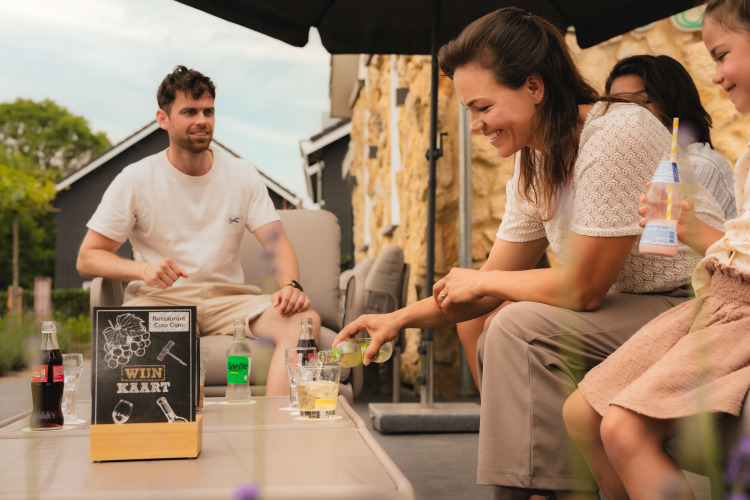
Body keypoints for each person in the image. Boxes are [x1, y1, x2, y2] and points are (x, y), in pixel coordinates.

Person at [335, 7, 725, 500]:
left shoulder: (616, 133)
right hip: (633, 308)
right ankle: (539, 483)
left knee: (516, 325)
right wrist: (397, 319)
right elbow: (484, 287)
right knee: (476, 319)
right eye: (469, 112)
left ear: (534, 87)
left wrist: (486, 285)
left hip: (693, 305)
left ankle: (537, 490)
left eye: (483, 107)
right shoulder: (533, 162)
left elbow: (583, 290)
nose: (475, 125)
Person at [563, 0, 750, 498]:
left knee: (622, 426)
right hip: (715, 301)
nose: (716, 75)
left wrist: (697, 236)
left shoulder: (702, 163)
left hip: (734, 310)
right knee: (581, 410)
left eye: (721, 54)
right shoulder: (748, 157)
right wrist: (693, 231)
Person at [76, 65, 320, 396]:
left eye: (208, 111)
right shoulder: (135, 178)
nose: (202, 120)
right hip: (161, 301)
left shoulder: (242, 174)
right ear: (163, 118)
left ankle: (279, 430)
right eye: (189, 111)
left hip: (228, 301)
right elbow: (88, 258)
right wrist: (143, 270)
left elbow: (275, 242)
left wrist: (290, 285)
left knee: (304, 321)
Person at [605, 54, 736, 219]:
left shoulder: (698, 165)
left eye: (639, 102)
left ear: (672, 101)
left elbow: (680, 239)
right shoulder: (629, 166)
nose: (624, 114)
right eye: (616, 105)